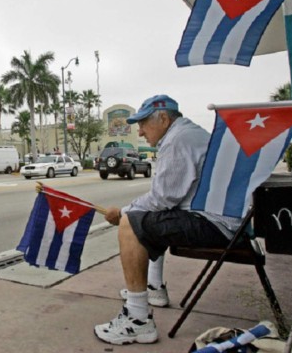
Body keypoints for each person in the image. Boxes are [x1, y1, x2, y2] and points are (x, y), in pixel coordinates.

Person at [94, 95, 242, 346]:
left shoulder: (178, 140)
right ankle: (153, 287)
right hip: (227, 222)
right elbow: (166, 200)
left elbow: (162, 198)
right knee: (148, 218)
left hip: (215, 224)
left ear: (163, 118)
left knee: (131, 223)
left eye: (143, 123)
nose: (140, 132)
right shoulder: (188, 134)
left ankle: (137, 320)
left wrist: (122, 213)